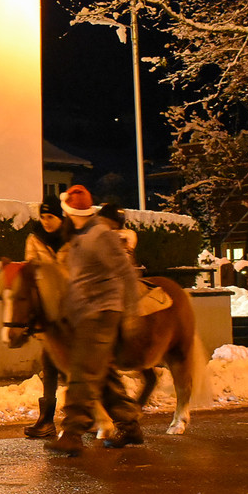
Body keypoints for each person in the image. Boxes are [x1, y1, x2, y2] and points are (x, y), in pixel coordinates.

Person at [46, 185, 143, 457]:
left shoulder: (99, 234)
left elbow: (126, 273)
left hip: (100, 312)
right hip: (86, 313)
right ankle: (129, 424)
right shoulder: (81, 235)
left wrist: (131, 313)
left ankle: (72, 433)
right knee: (103, 372)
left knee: (82, 370)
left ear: (68, 211)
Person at [22, 197, 72, 438]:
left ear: (60, 218)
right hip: (49, 310)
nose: (46, 222)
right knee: (49, 363)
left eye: (50, 217)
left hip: (72, 309)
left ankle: (84, 416)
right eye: (43, 217)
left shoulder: (72, 238)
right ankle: (46, 420)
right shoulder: (35, 239)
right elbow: (32, 271)